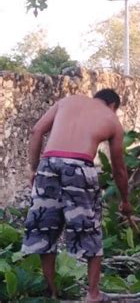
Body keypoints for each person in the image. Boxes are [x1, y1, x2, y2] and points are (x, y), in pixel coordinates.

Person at [22, 89, 132, 303]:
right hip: (80, 167)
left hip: (48, 164)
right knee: (89, 230)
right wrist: (126, 201)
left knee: (45, 229)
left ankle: (52, 293)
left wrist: (34, 169)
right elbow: (119, 169)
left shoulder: (67, 101)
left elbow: (37, 131)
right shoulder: (112, 120)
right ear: (112, 105)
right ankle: (92, 294)